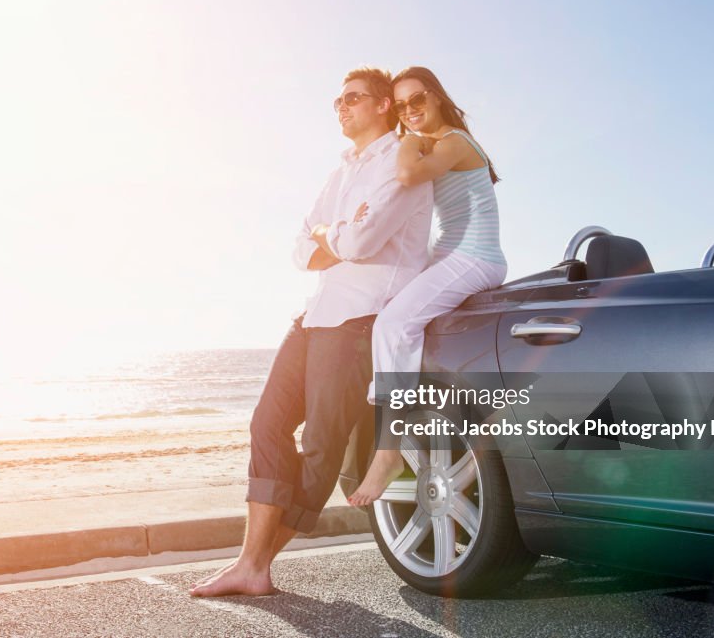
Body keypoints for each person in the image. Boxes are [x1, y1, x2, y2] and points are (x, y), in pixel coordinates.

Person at [190, 67, 431, 597]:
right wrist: (333, 235)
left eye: (353, 98)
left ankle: (256, 564)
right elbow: (302, 249)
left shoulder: (404, 160)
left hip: (358, 318)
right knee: (266, 424)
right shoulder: (342, 169)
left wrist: (335, 236)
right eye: (337, 101)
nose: (341, 107)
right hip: (314, 314)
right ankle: (249, 564)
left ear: (384, 105)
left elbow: (364, 242)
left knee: (322, 446)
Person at [348, 66, 508, 507]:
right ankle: (413, 419)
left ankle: (388, 450)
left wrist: (410, 140)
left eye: (417, 100)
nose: (409, 111)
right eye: (400, 106)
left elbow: (407, 176)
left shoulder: (452, 142)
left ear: (436, 97)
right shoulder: (434, 144)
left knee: (394, 325)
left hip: (475, 257)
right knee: (385, 309)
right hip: (449, 254)